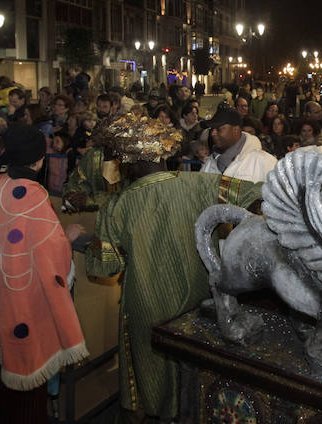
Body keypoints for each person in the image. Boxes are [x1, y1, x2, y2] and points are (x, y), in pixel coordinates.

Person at [84, 115, 263, 422]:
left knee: (154, 376)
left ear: (129, 162)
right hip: (198, 298)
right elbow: (257, 193)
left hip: (146, 306)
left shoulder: (118, 205)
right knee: (196, 371)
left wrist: (87, 241)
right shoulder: (202, 184)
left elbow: (104, 267)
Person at [0, 123, 87, 422]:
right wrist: (67, 239)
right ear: (39, 160)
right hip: (21, 299)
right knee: (23, 394)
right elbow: (49, 251)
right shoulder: (33, 195)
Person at [200, 104, 276, 183]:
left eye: (218, 129)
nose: (213, 133)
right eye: (212, 129)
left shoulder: (264, 162)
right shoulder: (210, 162)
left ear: (236, 130)